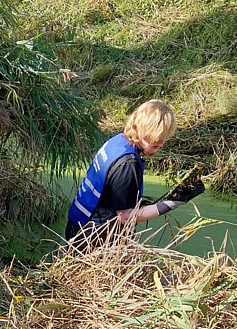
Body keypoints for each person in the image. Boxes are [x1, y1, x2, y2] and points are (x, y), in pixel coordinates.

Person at [65, 99, 204, 247]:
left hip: (77, 224)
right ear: (141, 128)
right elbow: (125, 217)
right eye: (154, 135)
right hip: (92, 237)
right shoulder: (128, 164)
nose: (160, 141)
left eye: (165, 136)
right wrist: (173, 203)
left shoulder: (119, 141)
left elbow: (111, 192)